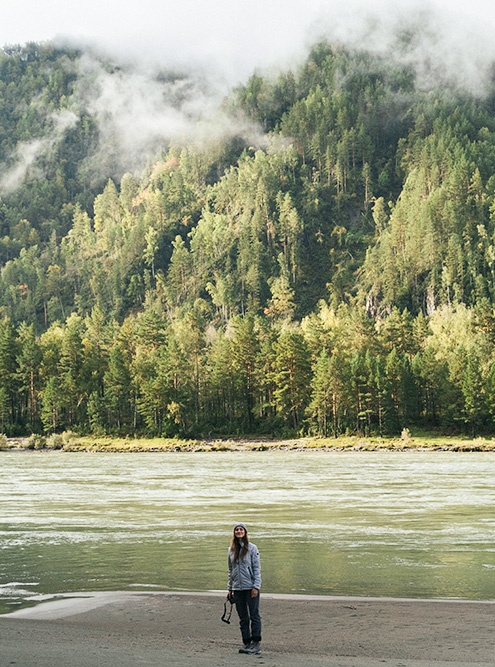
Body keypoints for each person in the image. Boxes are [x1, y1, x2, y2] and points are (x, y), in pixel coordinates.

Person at [227, 522, 262, 654]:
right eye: (237, 529)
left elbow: (257, 569)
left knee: (254, 615)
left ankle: (256, 643)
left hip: (250, 587)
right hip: (237, 588)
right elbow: (231, 570)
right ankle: (246, 643)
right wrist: (230, 588)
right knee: (243, 617)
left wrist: (256, 586)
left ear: (245, 532)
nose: (239, 531)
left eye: (241, 529)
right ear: (234, 533)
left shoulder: (252, 548)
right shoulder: (231, 550)